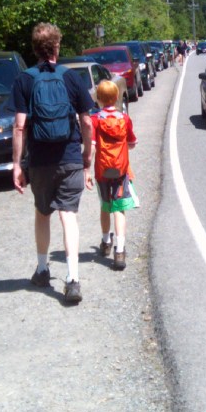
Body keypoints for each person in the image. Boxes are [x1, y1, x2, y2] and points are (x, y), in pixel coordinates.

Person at [12, 22, 95, 304]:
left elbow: (20, 127)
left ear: (35, 49)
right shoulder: (71, 78)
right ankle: (72, 279)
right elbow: (86, 120)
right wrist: (87, 156)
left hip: (40, 161)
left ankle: (43, 269)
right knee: (68, 216)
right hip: (70, 156)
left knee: (43, 213)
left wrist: (17, 165)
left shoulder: (25, 80)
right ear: (57, 46)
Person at [92, 79, 137, 270]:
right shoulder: (124, 118)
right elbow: (132, 142)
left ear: (99, 99)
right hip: (120, 169)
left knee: (105, 205)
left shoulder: (95, 120)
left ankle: (105, 242)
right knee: (119, 208)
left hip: (102, 169)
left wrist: (86, 166)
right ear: (117, 96)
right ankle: (120, 251)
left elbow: (92, 145)